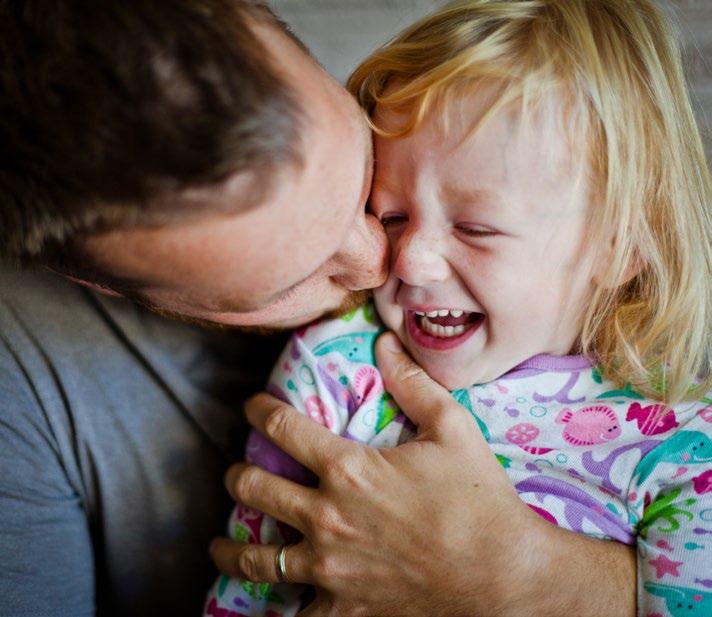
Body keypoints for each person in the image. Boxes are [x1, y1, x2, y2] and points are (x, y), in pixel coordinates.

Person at [0, 1, 635, 616]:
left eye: (363, 179)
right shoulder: (21, 395)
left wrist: (534, 581)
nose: (386, 264)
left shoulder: (458, 122)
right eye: (295, 277)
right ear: (104, 283)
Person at [205, 0, 712, 616]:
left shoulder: (683, 447)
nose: (411, 261)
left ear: (623, 245)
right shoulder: (339, 365)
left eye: (476, 228)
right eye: (390, 216)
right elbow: (252, 587)